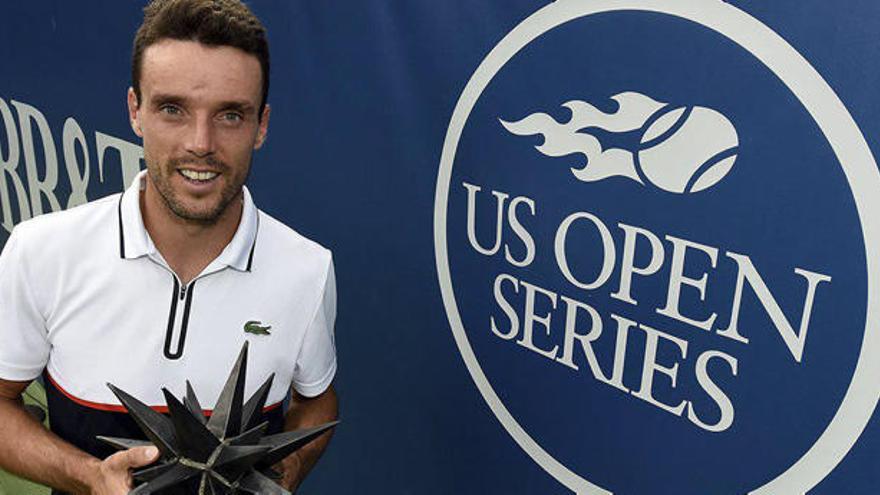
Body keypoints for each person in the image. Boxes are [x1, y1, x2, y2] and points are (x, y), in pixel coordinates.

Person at [0, 0, 338, 493]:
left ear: (261, 125)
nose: (200, 143)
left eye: (230, 115)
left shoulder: (308, 270)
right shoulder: (40, 252)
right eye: (173, 109)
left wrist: (278, 477)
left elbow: (318, 402)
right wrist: (91, 477)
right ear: (135, 111)